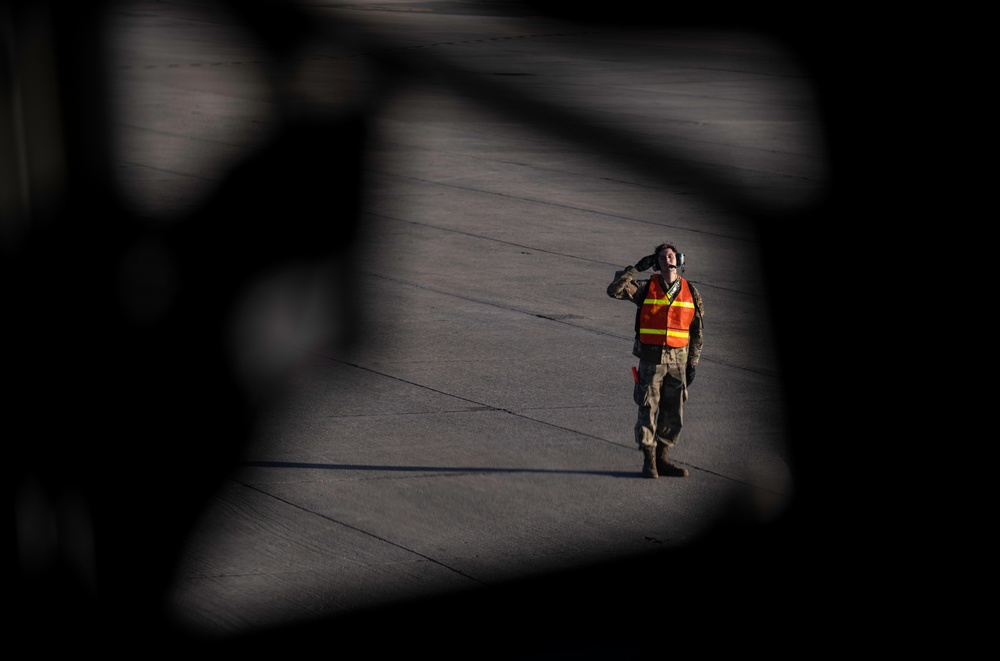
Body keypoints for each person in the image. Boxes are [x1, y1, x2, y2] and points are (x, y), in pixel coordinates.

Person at [606, 242, 704, 478]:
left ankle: (663, 459)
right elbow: (614, 290)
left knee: (673, 412)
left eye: (671, 256)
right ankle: (648, 461)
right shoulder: (645, 288)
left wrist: (692, 363)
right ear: (656, 264)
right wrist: (637, 268)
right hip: (652, 361)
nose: (668, 260)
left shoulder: (691, 290)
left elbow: (697, 330)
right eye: (662, 258)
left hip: (678, 362)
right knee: (647, 408)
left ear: (678, 261)